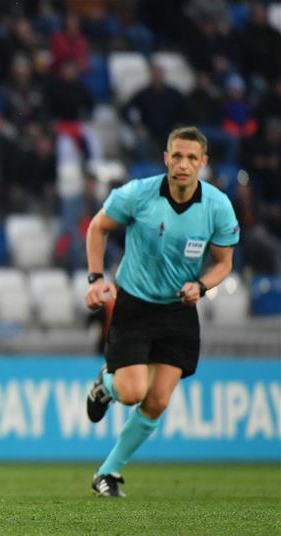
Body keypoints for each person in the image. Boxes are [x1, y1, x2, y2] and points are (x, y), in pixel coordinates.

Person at [84, 127, 238, 497]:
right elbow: (97, 227)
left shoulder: (217, 206)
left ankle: (108, 473)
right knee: (133, 392)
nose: (183, 164)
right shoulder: (138, 194)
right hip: (135, 304)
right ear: (166, 158)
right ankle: (105, 386)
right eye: (177, 156)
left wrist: (202, 286)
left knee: (158, 400)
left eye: (191, 158)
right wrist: (95, 278)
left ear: (203, 163)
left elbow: (223, 263)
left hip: (178, 310)